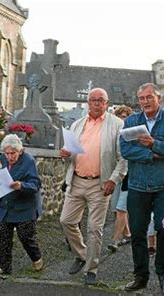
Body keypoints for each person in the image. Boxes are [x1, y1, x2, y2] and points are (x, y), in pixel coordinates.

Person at [120, 83, 164, 291]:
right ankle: (140, 276)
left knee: (163, 230)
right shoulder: (132, 121)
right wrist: (152, 155)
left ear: (159, 98)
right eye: (141, 98)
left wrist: (154, 144)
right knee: (138, 233)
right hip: (138, 185)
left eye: (149, 97)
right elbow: (125, 150)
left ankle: (163, 274)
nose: (145, 102)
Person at [59, 88, 127, 285]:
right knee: (66, 221)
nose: (97, 103)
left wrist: (113, 179)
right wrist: (65, 155)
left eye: (101, 100)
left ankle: (91, 268)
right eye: (93, 100)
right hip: (77, 180)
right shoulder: (77, 125)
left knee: (94, 228)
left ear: (106, 103)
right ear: (88, 103)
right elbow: (71, 156)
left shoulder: (117, 125)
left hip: (100, 183)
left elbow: (123, 158)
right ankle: (82, 254)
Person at [0, 134, 43, 276]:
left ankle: (36, 258)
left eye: (12, 153)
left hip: (24, 206)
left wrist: (21, 185)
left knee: (26, 237)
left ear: (20, 151)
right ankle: (3, 267)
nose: (9, 156)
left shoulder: (29, 161)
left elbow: (36, 184)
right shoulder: (3, 159)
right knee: (2, 237)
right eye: (6, 153)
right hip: (7, 204)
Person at [107, 105, 133, 252]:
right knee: (116, 210)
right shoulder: (113, 135)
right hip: (116, 177)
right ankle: (128, 234)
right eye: (120, 117)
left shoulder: (132, 135)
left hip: (129, 177)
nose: (122, 120)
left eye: (125, 117)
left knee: (121, 208)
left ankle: (115, 241)